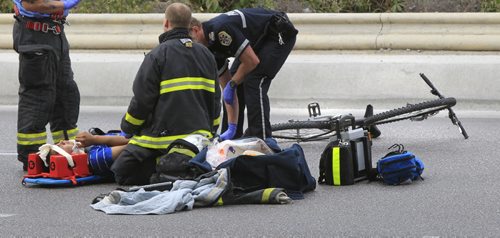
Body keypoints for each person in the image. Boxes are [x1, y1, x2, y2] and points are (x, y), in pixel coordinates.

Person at [111, 3, 221, 185]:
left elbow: (142, 100)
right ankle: (173, 168)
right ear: (189, 25)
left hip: (160, 139)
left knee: (122, 172)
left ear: (166, 23)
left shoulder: (157, 55)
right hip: (196, 139)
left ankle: (162, 168)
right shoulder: (207, 55)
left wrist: (128, 127)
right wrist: (211, 130)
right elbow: (215, 100)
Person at [190, 8, 298, 140]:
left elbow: (252, 61)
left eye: (191, 41)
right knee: (238, 77)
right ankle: (231, 138)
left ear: (196, 30)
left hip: (277, 32)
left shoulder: (219, 30)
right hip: (258, 40)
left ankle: (261, 138)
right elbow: (227, 89)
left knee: (254, 80)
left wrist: (233, 83)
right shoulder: (210, 49)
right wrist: (231, 127)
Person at [11, 0, 83, 171]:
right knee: (38, 96)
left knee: (66, 94)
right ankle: (31, 154)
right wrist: (64, 5)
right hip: (36, 34)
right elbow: (31, 4)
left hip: (55, 33)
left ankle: (65, 147)